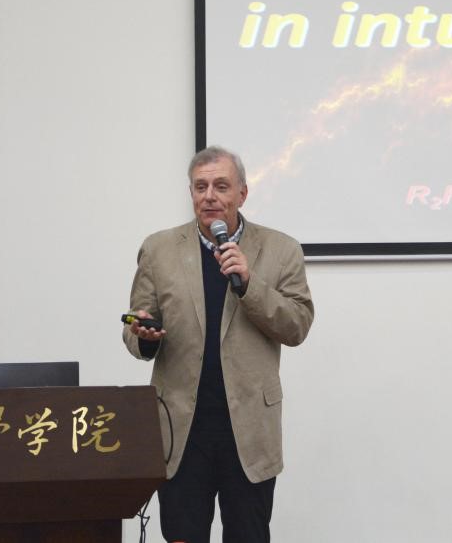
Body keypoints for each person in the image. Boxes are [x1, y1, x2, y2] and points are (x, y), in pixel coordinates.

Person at [124, 146, 314, 543]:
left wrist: (250, 284)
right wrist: (142, 336)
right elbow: (137, 323)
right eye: (201, 186)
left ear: (242, 193)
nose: (209, 196)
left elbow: (297, 325)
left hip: (249, 431)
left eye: (221, 186)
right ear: (191, 193)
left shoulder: (280, 250)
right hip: (181, 429)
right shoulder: (158, 250)